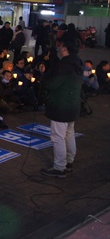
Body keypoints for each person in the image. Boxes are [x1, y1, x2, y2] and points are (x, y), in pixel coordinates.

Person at [40, 40, 83, 178]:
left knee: (58, 137)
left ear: (65, 49)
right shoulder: (77, 63)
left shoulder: (64, 65)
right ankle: (69, 161)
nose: (59, 48)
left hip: (61, 105)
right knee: (69, 134)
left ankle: (59, 167)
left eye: (61, 46)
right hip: (73, 104)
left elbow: (52, 85)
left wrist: (45, 79)